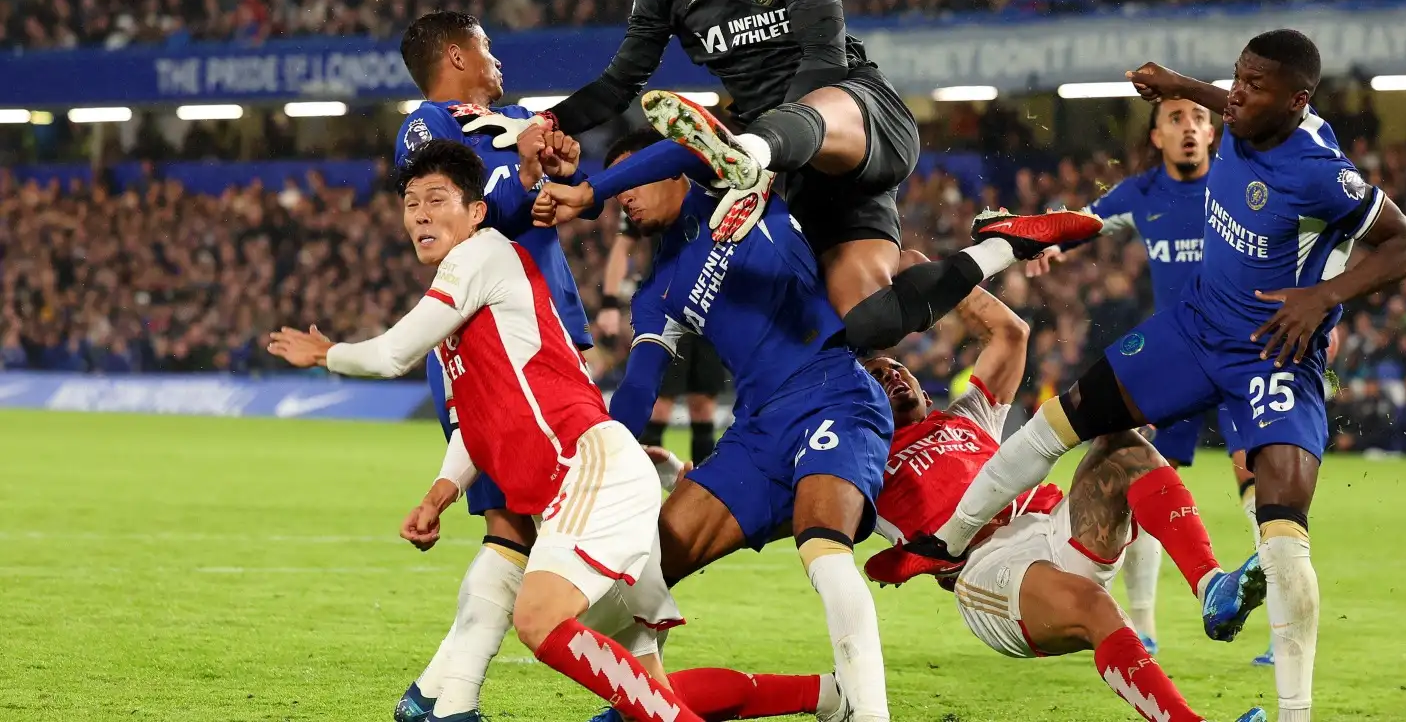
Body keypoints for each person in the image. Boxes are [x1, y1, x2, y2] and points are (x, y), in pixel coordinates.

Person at [906, 31, 1406, 722]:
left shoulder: (1318, 170)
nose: (1235, 97)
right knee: (1059, 423)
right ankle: (947, 541)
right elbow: (1228, 113)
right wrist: (1183, 84)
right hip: (1189, 331)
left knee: (1281, 539)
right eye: (1236, 79)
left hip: (1270, 357)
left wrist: (1323, 297)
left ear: (1297, 100)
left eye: (1255, 86)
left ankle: (1295, 712)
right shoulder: (1229, 129)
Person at [535, 128, 1098, 722]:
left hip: (835, 395)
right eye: (616, 188)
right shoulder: (657, 292)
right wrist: (602, 451)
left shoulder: (737, 185)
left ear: (673, 167)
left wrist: (603, 181)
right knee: (636, 575)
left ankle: (869, 716)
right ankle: (814, 697)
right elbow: (641, 384)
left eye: (634, 178)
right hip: (756, 434)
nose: (624, 197)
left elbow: (705, 135)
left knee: (823, 550)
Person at [268, 140, 839, 722]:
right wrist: (441, 493)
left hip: (588, 473)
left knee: (537, 618)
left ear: (476, 213)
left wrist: (326, 353)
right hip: (593, 482)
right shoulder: (459, 314)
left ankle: (453, 706)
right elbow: (475, 427)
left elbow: (391, 355)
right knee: (649, 695)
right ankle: (823, 696)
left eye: (437, 199)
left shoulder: (481, 257)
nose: (419, 212)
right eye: (410, 202)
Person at [470, 0, 1013, 355]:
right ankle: (1002, 246)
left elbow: (823, 58)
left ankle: (747, 155)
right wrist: (547, 123)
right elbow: (621, 82)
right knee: (871, 322)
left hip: (857, 117)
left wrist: (763, 152)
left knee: (807, 111)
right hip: (800, 169)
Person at [861, 253, 1265, 722]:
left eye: (895, 367)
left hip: (1058, 526)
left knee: (1119, 438)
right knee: (1096, 608)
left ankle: (1212, 586)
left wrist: (932, 276)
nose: (889, 373)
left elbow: (1010, 333)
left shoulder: (967, 416)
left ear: (925, 392)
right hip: (986, 569)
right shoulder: (863, 465)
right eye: (874, 377)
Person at [385, 10, 605, 722]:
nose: (497, 57)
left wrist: (561, 173)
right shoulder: (427, 130)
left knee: (545, 524)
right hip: (488, 347)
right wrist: (528, 174)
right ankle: (447, 701)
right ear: (455, 53)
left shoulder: (514, 119)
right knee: (527, 525)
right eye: (485, 46)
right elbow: (478, 209)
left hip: (546, 332)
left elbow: (558, 199)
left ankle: (435, 696)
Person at [1026, 97, 1266, 660]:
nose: (1189, 128)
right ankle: (1143, 624)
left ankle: (1280, 627)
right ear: (1156, 135)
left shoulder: (1236, 180)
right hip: (1178, 360)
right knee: (1143, 478)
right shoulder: (1141, 193)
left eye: (1199, 119)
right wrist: (1051, 242)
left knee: (1258, 484)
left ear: (1214, 132)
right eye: (1176, 120)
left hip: (1243, 354)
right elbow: (1086, 221)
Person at [600, 205, 729, 467]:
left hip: (710, 311)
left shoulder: (715, 187)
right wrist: (609, 302)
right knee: (660, 407)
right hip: (668, 311)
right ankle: (642, 491)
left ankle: (700, 495)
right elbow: (623, 245)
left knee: (703, 407)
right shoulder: (654, 190)